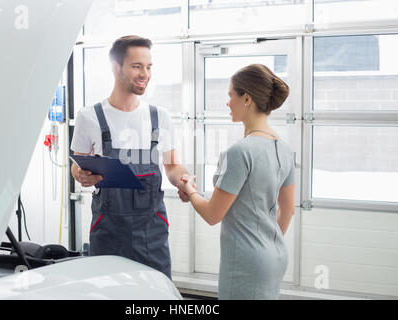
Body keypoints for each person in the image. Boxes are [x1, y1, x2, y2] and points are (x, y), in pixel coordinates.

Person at [70, 35, 194, 279]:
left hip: (152, 233)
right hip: (107, 233)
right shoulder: (89, 116)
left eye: (148, 67)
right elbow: (77, 165)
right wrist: (81, 175)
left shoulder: (160, 117)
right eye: (137, 66)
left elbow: (172, 165)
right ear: (116, 68)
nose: (144, 74)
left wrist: (184, 179)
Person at [178, 64, 295, 299]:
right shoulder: (284, 150)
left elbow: (213, 215)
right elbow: (288, 210)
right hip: (276, 257)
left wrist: (190, 190)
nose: (228, 102)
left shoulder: (240, 152)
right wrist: (267, 246)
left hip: (246, 262)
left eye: (231, 95)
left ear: (247, 99)